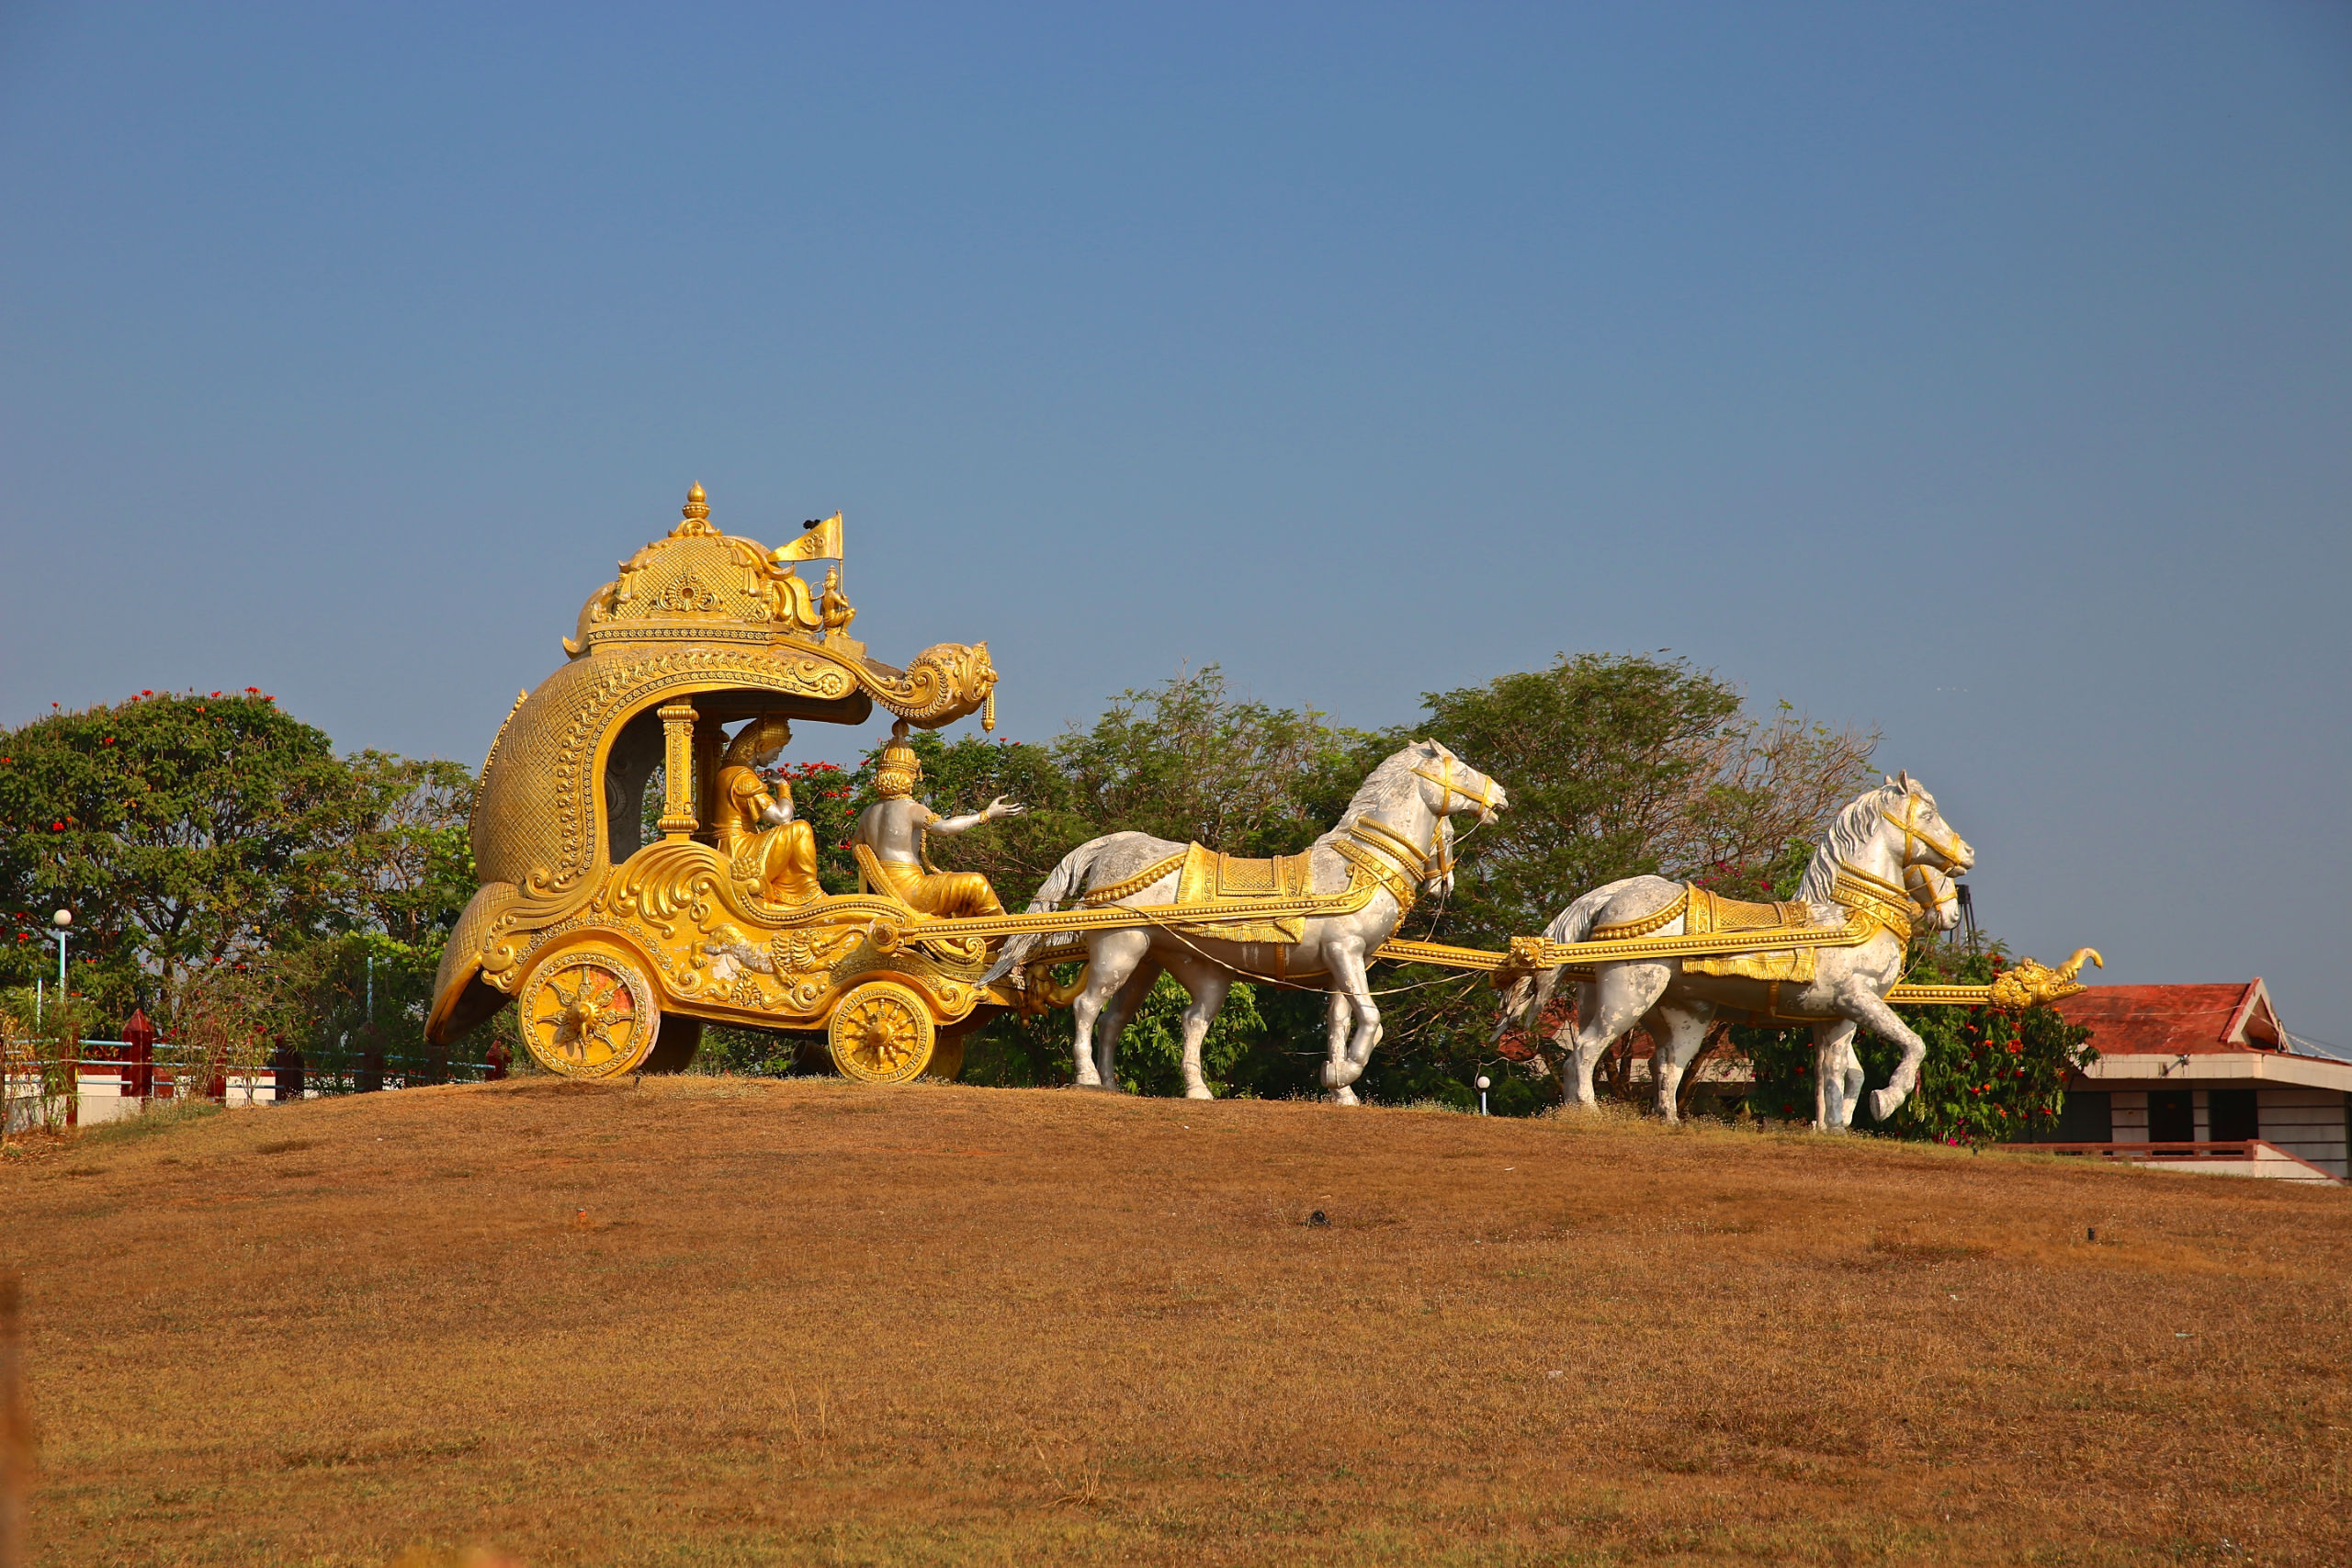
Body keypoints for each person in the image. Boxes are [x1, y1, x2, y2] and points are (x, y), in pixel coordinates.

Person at [853, 722, 1023, 917]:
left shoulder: (868, 812)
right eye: (914, 774)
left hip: (884, 890)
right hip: (911, 891)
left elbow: (857, 849)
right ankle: (1002, 929)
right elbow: (945, 828)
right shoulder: (910, 808)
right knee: (976, 883)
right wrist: (986, 814)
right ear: (909, 775)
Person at [715, 715, 824, 906]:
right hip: (737, 851)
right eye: (777, 751)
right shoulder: (742, 778)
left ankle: (789, 892)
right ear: (760, 746)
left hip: (735, 844)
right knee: (800, 829)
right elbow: (782, 817)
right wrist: (783, 786)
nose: (776, 757)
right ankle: (806, 892)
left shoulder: (731, 771)